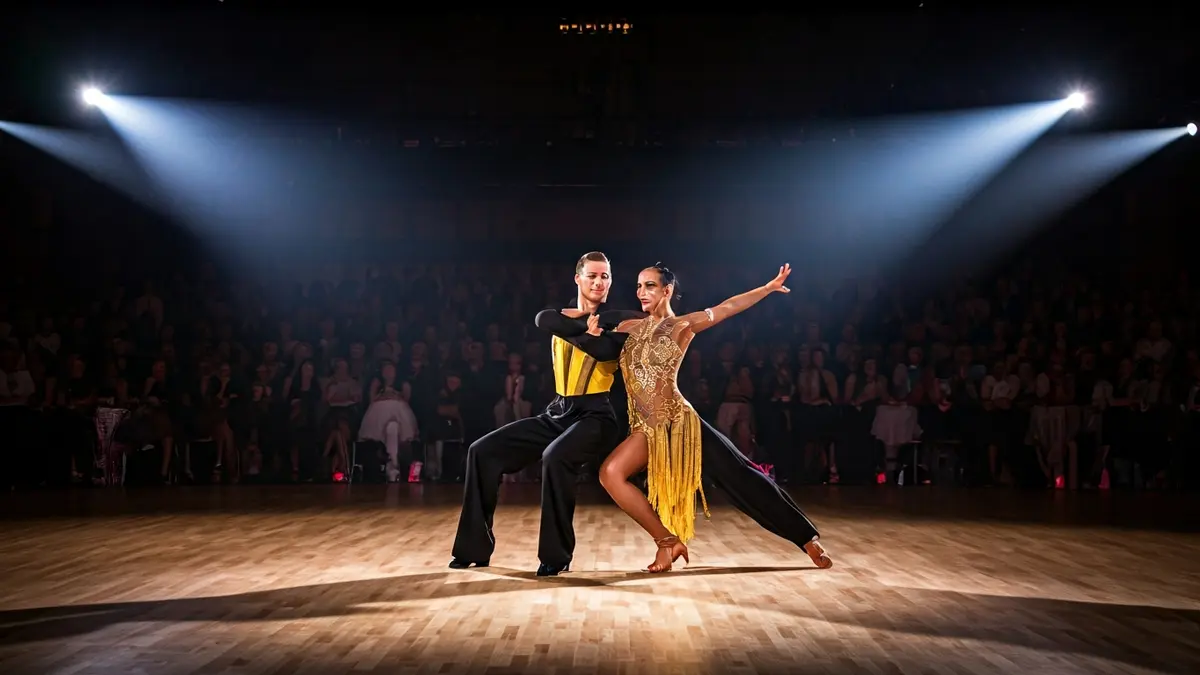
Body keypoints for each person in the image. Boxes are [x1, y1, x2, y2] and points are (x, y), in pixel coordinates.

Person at [547, 263, 832, 573]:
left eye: (650, 286)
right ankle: (667, 542)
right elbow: (576, 323)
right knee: (611, 474)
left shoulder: (682, 326)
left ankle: (807, 540)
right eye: (639, 286)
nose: (641, 292)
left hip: (680, 422)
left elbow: (727, 307)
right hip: (646, 426)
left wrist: (767, 288)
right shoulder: (628, 326)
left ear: (667, 290)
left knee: (742, 477)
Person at [449, 251, 642, 576]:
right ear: (577, 278)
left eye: (605, 277)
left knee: (556, 457)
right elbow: (543, 319)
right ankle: (473, 549)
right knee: (481, 451)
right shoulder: (561, 315)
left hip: (596, 414)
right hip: (557, 411)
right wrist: (585, 326)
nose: (599, 282)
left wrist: (590, 329)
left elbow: (607, 349)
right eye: (592, 275)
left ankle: (555, 556)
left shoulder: (618, 323)